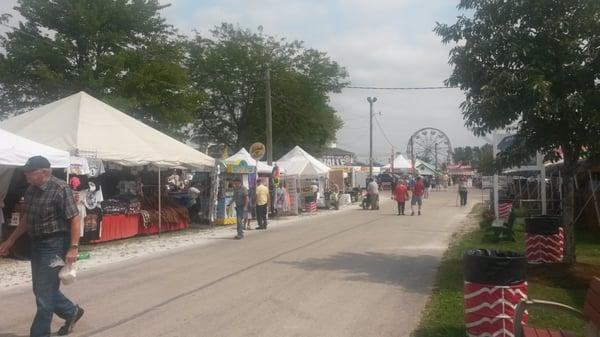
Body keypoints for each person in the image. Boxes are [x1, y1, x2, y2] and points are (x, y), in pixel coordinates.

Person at [0, 156, 84, 337]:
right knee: (41, 290)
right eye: (25, 172)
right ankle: (71, 311)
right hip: (37, 244)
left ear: (44, 172)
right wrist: (11, 240)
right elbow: (27, 219)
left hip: (55, 245)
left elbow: (75, 218)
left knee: (44, 296)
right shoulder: (31, 190)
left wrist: (73, 247)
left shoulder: (60, 188)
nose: (26, 175)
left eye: (30, 172)